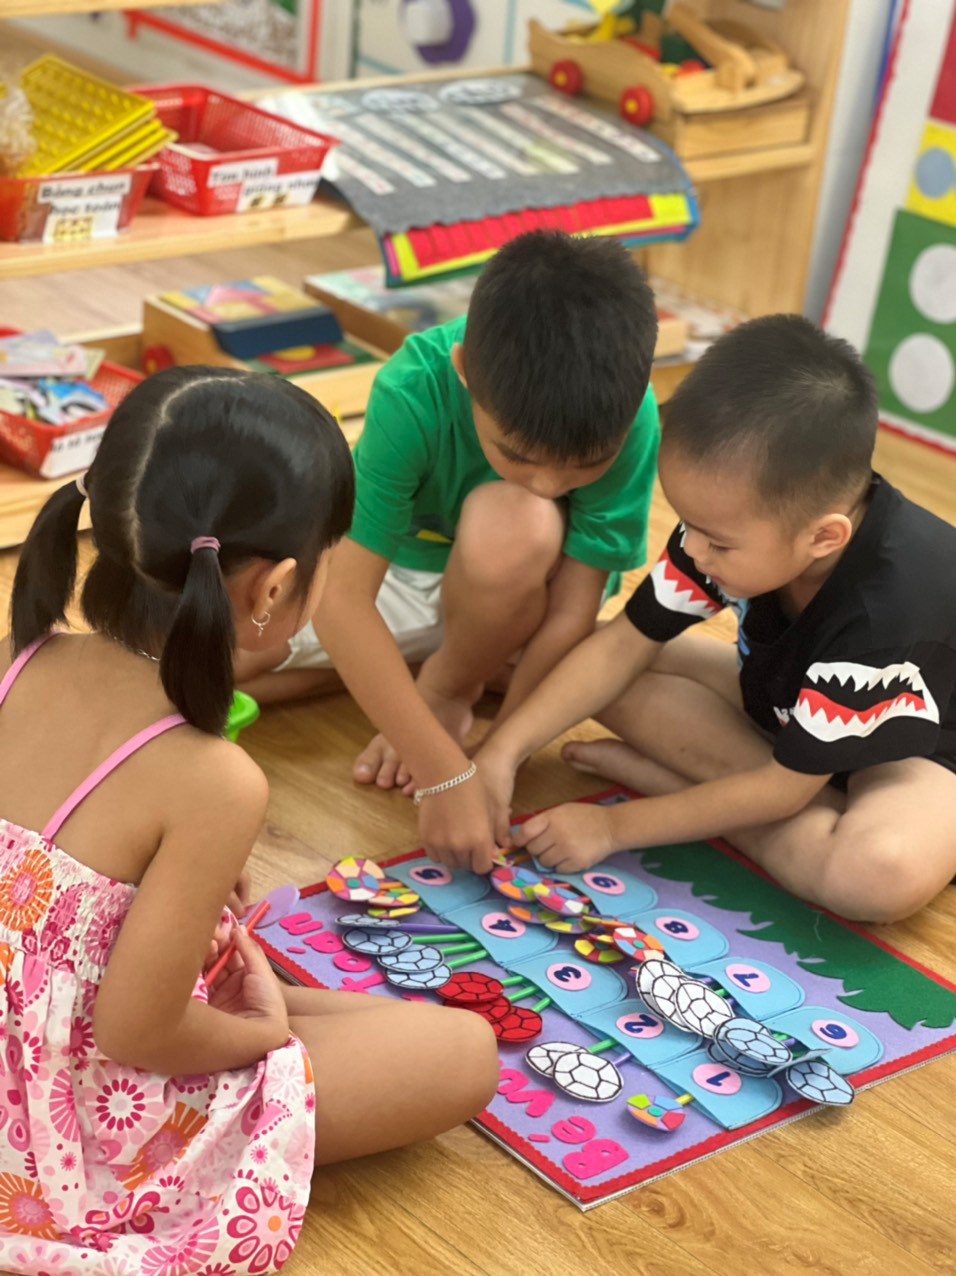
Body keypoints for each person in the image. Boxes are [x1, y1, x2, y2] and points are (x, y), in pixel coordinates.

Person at [0, 368, 498, 1275]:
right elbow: (135, 1032)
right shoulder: (215, 781)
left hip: (34, 1016)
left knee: (279, 991)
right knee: (465, 1053)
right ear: (274, 590)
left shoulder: (20, 655)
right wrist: (261, 1036)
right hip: (59, 1113)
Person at [476, 315, 956, 924]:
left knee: (872, 874)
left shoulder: (886, 611)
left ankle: (687, 792)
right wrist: (501, 752)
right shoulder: (727, 529)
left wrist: (615, 825)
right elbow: (623, 644)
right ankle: (734, 803)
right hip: (801, 710)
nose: (694, 551)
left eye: (717, 542)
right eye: (687, 523)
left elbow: (785, 789)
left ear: (823, 537)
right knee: (586, 659)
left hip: (923, 751)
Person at [237, 231, 661, 873]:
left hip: (527, 597)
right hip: (402, 578)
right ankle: (431, 677)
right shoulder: (415, 387)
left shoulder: (631, 416)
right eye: (517, 455)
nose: (550, 485)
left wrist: (500, 755)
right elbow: (344, 597)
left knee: (519, 518)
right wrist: (441, 768)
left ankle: (450, 681)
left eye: (585, 468)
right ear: (463, 371)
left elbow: (571, 615)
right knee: (227, 653)